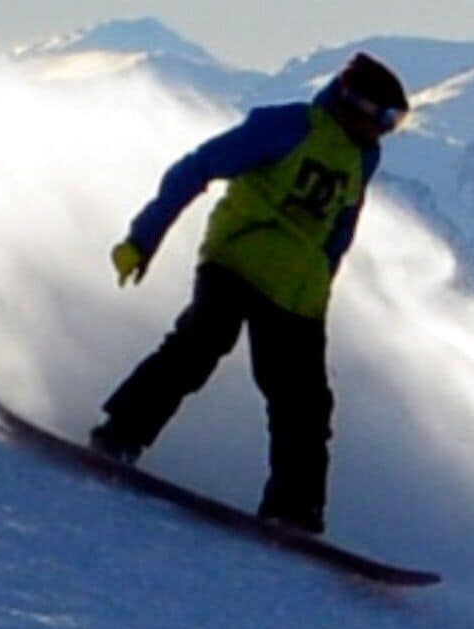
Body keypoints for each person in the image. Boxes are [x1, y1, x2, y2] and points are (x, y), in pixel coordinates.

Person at [90, 52, 410, 533]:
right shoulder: (286, 127)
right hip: (238, 258)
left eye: (397, 122)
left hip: (297, 291)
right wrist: (143, 237)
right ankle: (118, 436)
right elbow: (197, 167)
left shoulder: (364, 157)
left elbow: (341, 229)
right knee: (199, 344)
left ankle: (295, 509)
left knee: (305, 402)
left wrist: (323, 284)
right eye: (385, 118)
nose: (387, 130)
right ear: (354, 104)